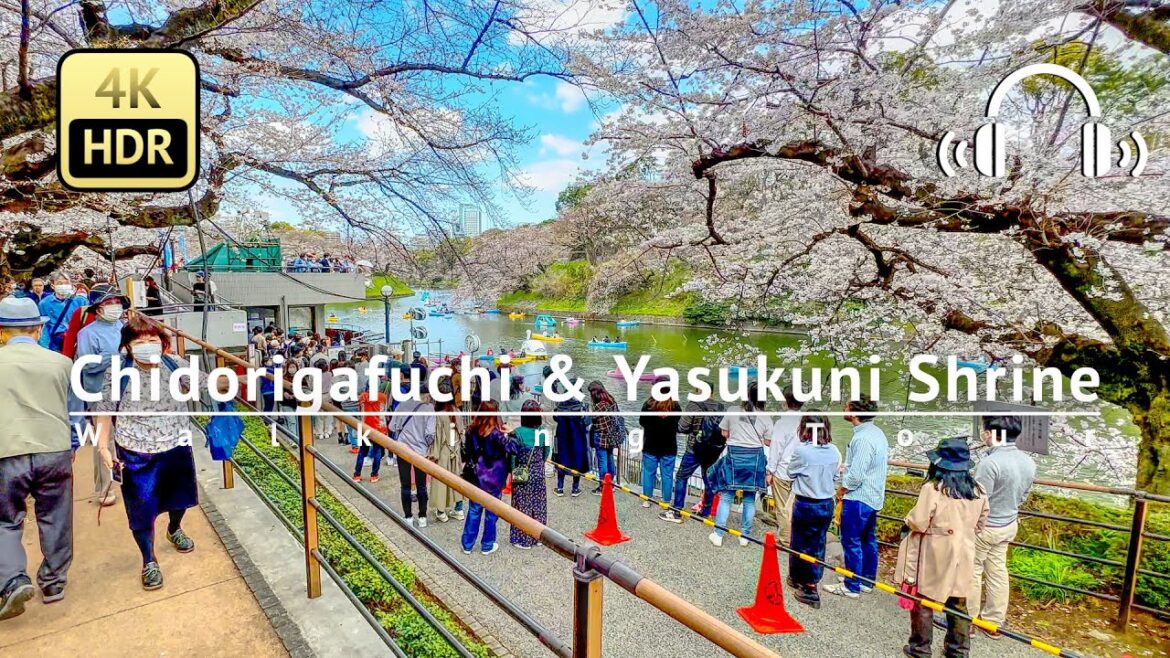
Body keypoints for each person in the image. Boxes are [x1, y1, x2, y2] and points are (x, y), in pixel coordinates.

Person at [92, 315, 201, 590]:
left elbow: (209, 383)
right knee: (141, 509)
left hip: (176, 443)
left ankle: (174, 528)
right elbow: (104, 411)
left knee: (180, 498)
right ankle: (148, 560)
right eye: (140, 341)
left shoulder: (175, 365)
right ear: (127, 346)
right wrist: (103, 446)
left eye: (153, 340)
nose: (147, 346)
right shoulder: (117, 372)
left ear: (162, 343)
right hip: (135, 450)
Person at [0, 297, 74, 619]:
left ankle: (13, 578)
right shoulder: (61, 363)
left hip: (7, 450)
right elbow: (73, 411)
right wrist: (72, 444)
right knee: (56, 516)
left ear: (1, 332)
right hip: (53, 448)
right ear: (40, 328)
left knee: (4, 520)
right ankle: (54, 582)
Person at [897, 438, 989, 658]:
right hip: (963, 552)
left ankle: (920, 648)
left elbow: (919, 521)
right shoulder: (978, 490)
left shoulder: (934, 489)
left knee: (924, 601)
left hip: (934, 552)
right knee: (958, 604)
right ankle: (958, 650)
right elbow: (982, 522)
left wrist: (907, 519)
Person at [969, 415, 1035, 639]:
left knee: (973, 570)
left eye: (984, 430)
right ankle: (993, 622)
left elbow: (978, 499)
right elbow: (1023, 496)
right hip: (1008, 523)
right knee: (997, 571)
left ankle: (968, 619)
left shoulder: (990, 463)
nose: (983, 434)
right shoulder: (1028, 461)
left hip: (985, 527)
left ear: (991, 434)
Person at [825, 395, 889, 599]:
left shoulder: (862, 439)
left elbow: (857, 475)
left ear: (853, 412)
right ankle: (865, 579)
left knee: (851, 540)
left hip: (858, 497)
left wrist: (842, 489)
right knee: (868, 539)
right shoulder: (876, 433)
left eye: (846, 406)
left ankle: (851, 584)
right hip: (873, 495)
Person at [74, 291, 127, 507]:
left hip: (125, 388)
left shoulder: (124, 327)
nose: (116, 307)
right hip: (99, 391)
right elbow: (88, 363)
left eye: (118, 303)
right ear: (98, 309)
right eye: (110, 304)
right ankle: (105, 488)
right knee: (104, 438)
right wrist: (118, 355)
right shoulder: (87, 333)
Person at [786, 414, 840, 609]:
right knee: (817, 542)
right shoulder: (834, 451)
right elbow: (836, 475)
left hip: (806, 502)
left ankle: (808, 587)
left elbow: (790, 472)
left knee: (800, 542)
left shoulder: (803, 452)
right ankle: (805, 580)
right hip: (826, 502)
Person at [708, 383, 772, 547]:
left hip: (735, 455)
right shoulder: (766, 417)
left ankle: (718, 534)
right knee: (749, 499)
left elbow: (724, 432)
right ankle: (745, 536)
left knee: (727, 496)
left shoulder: (732, 410)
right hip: (754, 458)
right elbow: (768, 441)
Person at [660, 383, 724, 524]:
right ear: (712, 392)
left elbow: (682, 427)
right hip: (713, 450)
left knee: (682, 477)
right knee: (708, 480)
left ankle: (677, 511)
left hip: (694, 448)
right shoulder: (720, 407)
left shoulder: (693, 405)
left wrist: (693, 429)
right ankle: (706, 512)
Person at [460, 401, 518, 554]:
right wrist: (512, 433)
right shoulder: (495, 434)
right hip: (495, 476)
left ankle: (467, 544)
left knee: (474, 509)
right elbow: (513, 449)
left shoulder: (471, 430)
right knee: (491, 512)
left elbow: (466, 453)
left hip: (476, 474)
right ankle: (487, 544)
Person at [389, 391, 436, 526]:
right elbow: (430, 433)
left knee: (405, 485)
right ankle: (422, 517)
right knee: (422, 485)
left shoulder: (402, 405)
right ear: (426, 394)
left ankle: (408, 516)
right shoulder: (428, 408)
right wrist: (427, 444)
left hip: (402, 449)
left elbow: (392, 426)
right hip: (420, 451)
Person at [509, 400, 548, 549]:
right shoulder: (542, 431)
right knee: (538, 503)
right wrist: (538, 463)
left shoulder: (517, 433)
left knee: (521, 504)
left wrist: (512, 471)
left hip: (521, 469)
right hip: (538, 470)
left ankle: (523, 539)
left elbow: (512, 456)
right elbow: (546, 452)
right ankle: (539, 537)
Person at [767, 389, 804, 544]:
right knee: (796, 506)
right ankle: (796, 537)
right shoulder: (806, 420)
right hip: (802, 471)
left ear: (785, 401)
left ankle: (785, 539)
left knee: (783, 507)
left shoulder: (782, 423)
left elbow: (776, 448)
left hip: (783, 471)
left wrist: (770, 470)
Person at [431, 380, 466, 522]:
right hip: (456, 450)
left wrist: (434, 455)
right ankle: (458, 509)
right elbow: (462, 432)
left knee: (441, 482)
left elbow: (438, 438)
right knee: (457, 480)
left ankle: (441, 512)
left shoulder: (439, 415)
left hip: (444, 452)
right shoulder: (457, 412)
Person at [551, 376, 590, 497]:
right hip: (578, 438)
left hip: (562, 437)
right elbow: (587, 422)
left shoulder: (560, 405)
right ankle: (575, 488)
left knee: (561, 461)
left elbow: (555, 418)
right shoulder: (583, 407)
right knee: (577, 461)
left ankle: (560, 487)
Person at [639, 396, 680, 506]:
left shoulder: (648, 405)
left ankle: (647, 499)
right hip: (669, 445)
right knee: (667, 475)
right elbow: (679, 425)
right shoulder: (675, 406)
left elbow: (642, 422)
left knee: (648, 473)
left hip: (651, 445)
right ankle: (666, 500)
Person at [587, 381, 623, 494]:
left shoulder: (599, 406)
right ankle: (611, 483)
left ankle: (603, 485)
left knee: (602, 461)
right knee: (610, 458)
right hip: (612, 435)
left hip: (601, 435)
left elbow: (591, 420)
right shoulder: (611, 401)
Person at [37, 274, 86, 353]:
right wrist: (43, 347)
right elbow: (44, 326)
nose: (63, 285)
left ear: (71, 285)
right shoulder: (44, 303)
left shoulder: (81, 301)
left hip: (76, 342)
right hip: (54, 343)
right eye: (60, 283)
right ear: (53, 286)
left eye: (66, 283)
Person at [352, 386, 389, 483]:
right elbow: (385, 410)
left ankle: (357, 475)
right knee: (377, 452)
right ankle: (374, 475)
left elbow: (359, 410)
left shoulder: (362, 397)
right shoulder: (382, 397)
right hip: (379, 428)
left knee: (362, 452)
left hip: (365, 428)